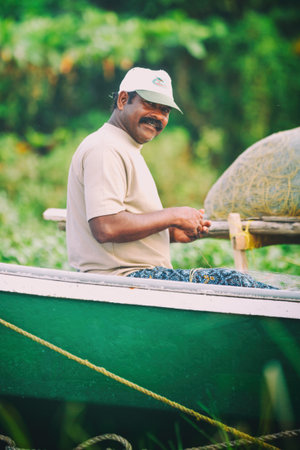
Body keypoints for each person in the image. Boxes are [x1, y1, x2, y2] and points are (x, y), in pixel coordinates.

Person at [67, 67, 275, 289]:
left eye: (164, 110)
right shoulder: (105, 148)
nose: (157, 116)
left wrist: (171, 233)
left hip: (137, 277)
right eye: (150, 104)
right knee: (235, 282)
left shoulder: (124, 148)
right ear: (123, 100)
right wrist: (173, 215)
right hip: (123, 280)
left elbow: (123, 222)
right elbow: (106, 226)